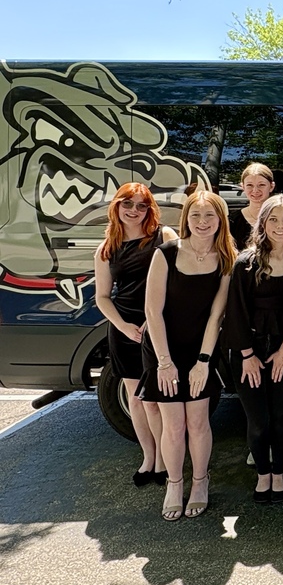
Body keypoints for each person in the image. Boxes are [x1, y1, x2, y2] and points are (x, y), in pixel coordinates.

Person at [139, 190, 234, 521]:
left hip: (200, 349)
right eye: (196, 215)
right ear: (186, 219)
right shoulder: (166, 253)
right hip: (163, 349)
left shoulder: (227, 258)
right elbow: (152, 311)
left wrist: (203, 363)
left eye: (210, 215)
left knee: (197, 422)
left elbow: (216, 316)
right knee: (173, 425)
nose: (202, 222)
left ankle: (200, 482)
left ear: (220, 220)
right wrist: (164, 363)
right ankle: (174, 483)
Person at [94, 183, 178, 487]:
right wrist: (124, 326)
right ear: (116, 206)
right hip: (125, 330)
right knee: (137, 400)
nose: (134, 211)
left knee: (156, 400)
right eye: (127, 204)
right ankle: (149, 458)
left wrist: (152, 319)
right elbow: (102, 297)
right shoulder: (106, 249)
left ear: (149, 209)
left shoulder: (164, 237)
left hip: (158, 326)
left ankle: (166, 461)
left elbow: (179, 281)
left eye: (142, 205)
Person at [224, 195, 283, 504]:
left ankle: (280, 472)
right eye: (273, 219)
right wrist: (247, 355)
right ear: (263, 223)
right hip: (249, 351)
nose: (280, 226)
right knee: (258, 420)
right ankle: (263, 475)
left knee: (281, 416)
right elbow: (235, 312)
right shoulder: (247, 263)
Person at [230, 163, 275, 250]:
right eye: (250, 185)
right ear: (243, 187)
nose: (255, 190)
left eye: (261, 185)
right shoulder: (233, 221)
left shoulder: (282, 217)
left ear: (271, 186)